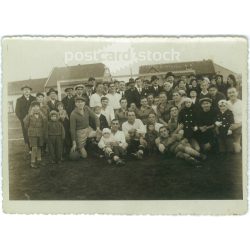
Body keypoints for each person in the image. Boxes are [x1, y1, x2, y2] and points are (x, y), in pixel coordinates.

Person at [23, 101, 47, 168]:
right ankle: (32, 162)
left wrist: (42, 114)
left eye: (37, 106)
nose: (36, 108)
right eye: (34, 106)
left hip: (40, 133)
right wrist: (29, 115)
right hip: (32, 134)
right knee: (34, 148)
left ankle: (39, 160)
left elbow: (45, 121)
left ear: (39, 107)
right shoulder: (29, 115)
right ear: (31, 108)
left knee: (39, 147)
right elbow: (25, 125)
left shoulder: (41, 115)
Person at [15, 85, 36, 153]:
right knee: (27, 134)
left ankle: (36, 147)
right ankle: (30, 148)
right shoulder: (19, 100)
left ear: (30, 91)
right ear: (23, 91)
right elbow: (17, 111)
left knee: (35, 133)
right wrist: (23, 119)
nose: (26, 91)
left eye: (28, 89)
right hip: (24, 121)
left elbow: (37, 108)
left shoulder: (34, 98)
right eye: (25, 90)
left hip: (34, 119)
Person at [227, 87, 242, 153]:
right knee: (229, 150)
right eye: (229, 93)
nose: (231, 94)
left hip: (239, 127)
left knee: (237, 151)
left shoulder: (242, 103)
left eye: (233, 92)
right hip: (228, 127)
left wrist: (238, 125)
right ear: (227, 95)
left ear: (237, 93)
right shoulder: (225, 103)